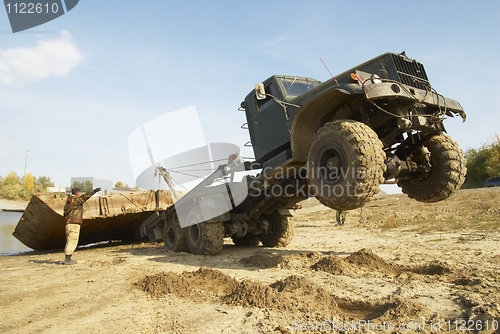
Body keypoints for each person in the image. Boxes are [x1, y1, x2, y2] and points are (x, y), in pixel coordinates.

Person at [63, 187, 101, 265]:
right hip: (74, 223)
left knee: (69, 240)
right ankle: (68, 259)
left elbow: (65, 213)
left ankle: (68, 258)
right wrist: (94, 191)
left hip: (68, 224)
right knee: (73, 240)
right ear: (78, 193)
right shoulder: (76, 200)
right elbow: (85, 197)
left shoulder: (68, 202)